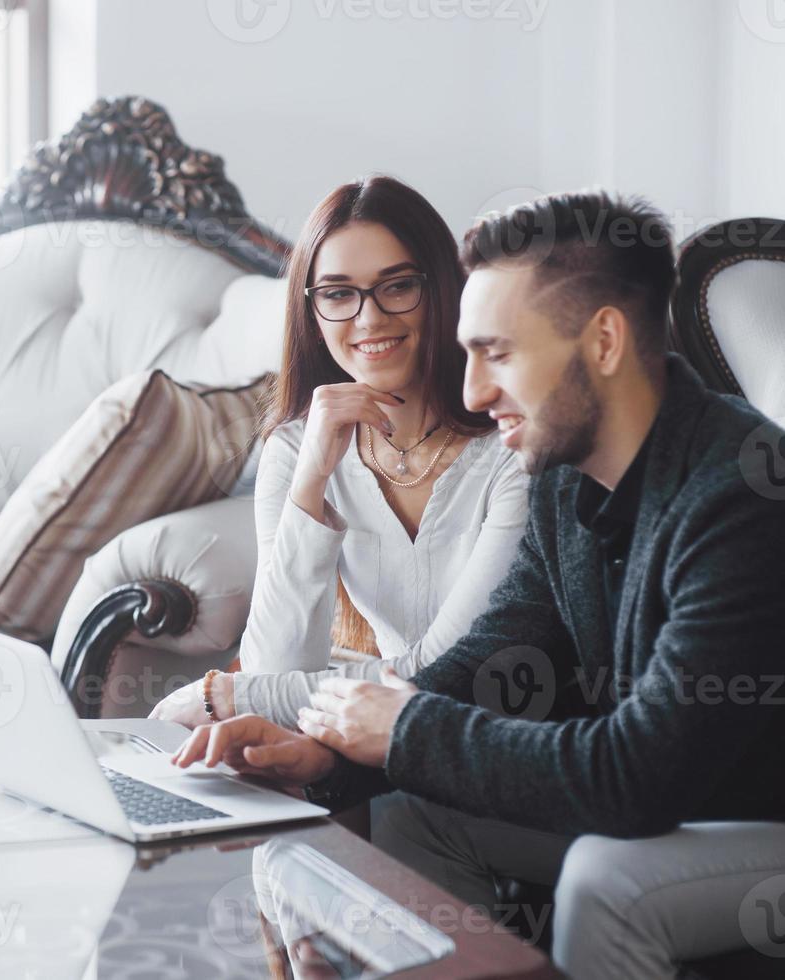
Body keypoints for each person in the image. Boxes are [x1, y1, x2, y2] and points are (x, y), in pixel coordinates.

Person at [170, 191, 785, 978]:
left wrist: (400, 730)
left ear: (602, 340)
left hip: (753, 820)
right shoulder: (567, 477)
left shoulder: (739, 496)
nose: (471, 392)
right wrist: (327, 757)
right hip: (678, 808)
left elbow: (638, 778)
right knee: (411, 815)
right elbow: (490, 662)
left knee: (612, 883)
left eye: (498, 353)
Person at [151, 175, 528, 727]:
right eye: (337, 294)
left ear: (442, 288)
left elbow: (444, 672)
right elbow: (275, 665)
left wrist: (230, 696)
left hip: (489, 740)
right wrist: (310, 484)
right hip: (362, 736)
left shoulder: (511, 449)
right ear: (311, 309)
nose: (369, 318)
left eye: (398, 286)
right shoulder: (294, 449)